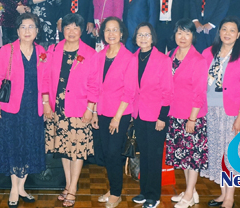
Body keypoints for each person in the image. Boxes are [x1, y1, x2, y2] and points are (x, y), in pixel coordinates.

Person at [198, 16, 240, 208]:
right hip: (211, 111)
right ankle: (223, 194)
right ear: (219, 32)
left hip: (233, 112)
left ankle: (230, 197)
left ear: (238, 35)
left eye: (232, 30)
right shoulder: (208, 52)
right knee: (217, 153)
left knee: (231, 154)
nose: (227, 33)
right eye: (224, 29)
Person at [0, 13, 48, 207]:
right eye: (23, 27)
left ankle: (22, 187)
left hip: (34, 108)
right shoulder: (7, 50)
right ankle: (14, 189)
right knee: (14, 147)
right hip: (13, 108)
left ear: (37, 31)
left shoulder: (41, 51)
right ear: (17, 30)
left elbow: (45, 80)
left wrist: (46, 104)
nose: (27, 31)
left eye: (31, 27)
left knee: (30, 146)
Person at [42, 13, 98, 208]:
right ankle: (68, 184)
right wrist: (46, 102)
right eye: (68, 28)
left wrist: (90, 108)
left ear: (81, 31)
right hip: (57, 108)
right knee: (64, 149)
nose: (71, 31)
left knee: (77, 150)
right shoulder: (53, 50)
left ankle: (73, 188)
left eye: (75, 28)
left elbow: (94, 85)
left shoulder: (90, 53)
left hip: (79, 109)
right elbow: (45, 78)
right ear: (62, 30)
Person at [90, 17, 136, 208]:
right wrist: (94, 112)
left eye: (115, 30)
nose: (111, 33)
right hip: (102, 111)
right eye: (107, 30)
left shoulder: (129, 58)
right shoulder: (99, 56)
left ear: (121, 33)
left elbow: (129, 91)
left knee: (113, 153)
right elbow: (94, 86)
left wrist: (117, 117)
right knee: (105, 154)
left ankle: (116, 193)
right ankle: (112, 188)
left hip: (120, 113)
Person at [129, 22, 173, 208]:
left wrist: (162, 117)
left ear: (153, 37)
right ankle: (144, 191)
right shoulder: (133, 58)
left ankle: (153, 196)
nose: (143, 38)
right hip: (139, 114)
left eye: (146, 35)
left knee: (154, 157)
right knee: (144, 155)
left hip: (156, 116)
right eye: (140, 34)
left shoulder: (163, 60)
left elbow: (168, 91)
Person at [165, 19, 207, 208]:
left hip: (192, 115)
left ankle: (189, 194)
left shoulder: (198, 60)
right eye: (179, 32)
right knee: (182, 155)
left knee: (193, 157)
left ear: (193, 36)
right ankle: (192, 191)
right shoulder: (170, 55)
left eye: (187, 33)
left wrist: (192, 118)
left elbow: (199, 92)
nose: (183, 37)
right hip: (174, 113)